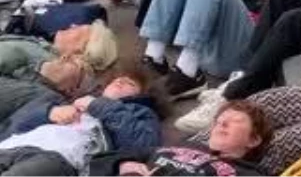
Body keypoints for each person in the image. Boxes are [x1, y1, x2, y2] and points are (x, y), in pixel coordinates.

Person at [0, 67, 164, 176]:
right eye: (116, 79)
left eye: (129, 83)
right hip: (10, 147)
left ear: (141, 96)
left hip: (59, 157)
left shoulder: (140, 113)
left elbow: (142, 145)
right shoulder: (65, 101)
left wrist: (98, 105)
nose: (119, 81)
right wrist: (49, 112)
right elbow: (11, 126)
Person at [89, 100, 272, 177]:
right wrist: (124, 164)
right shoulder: (186, 145)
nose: (222, 123)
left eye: (236, 120)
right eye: (219, 120)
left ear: (254, 140)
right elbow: (104, 160)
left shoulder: (249, 173)